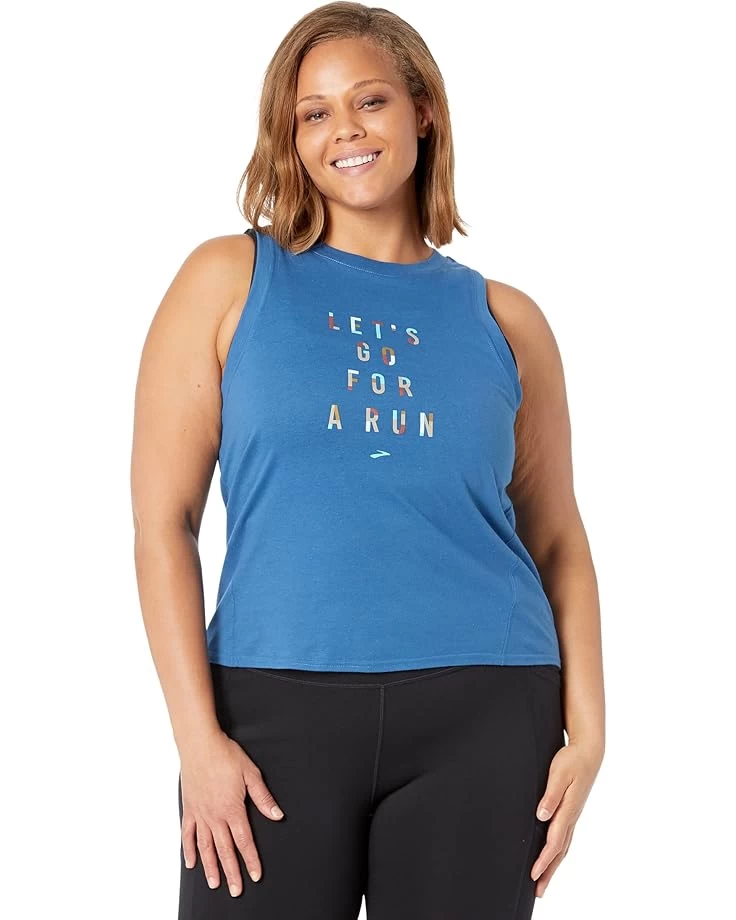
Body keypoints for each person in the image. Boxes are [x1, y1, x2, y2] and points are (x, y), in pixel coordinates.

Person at [130, 3, 605, 918]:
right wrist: (196, 738)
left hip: (485, 705)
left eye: (370, 101)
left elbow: (557, 540)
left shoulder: (507, 322)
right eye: (314, 113)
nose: (343, 129)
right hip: (270, 709)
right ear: (291, 136)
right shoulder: (227, 280)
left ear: (422, 111)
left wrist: (588, 734)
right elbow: (164, 522)